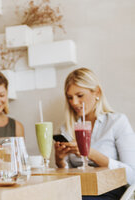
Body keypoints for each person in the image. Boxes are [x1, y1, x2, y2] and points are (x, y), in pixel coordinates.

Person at [55, 67, 135, 200]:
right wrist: (60, 160)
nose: (74, 102)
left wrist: (91, 153)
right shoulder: (66, 128)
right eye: (70, 97)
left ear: (96, 92)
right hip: (78, 190)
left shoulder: (117, 122)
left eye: (80, 96)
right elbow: (66, 176)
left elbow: (133, 175)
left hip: (110, 190)